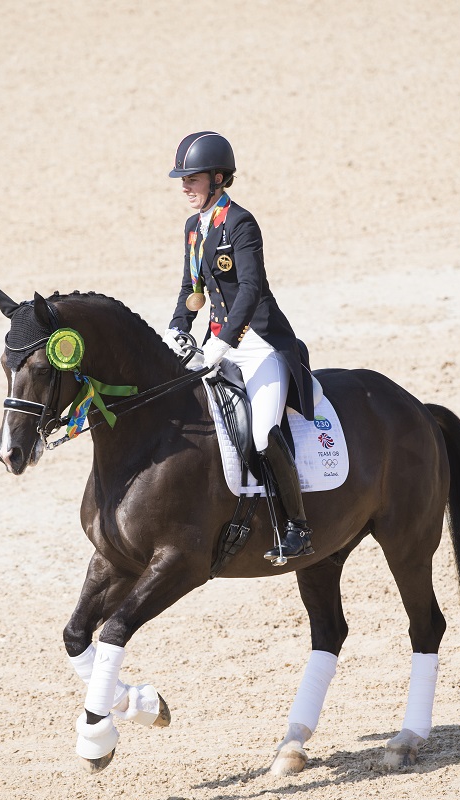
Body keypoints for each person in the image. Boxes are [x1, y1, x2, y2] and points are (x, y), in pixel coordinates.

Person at [163, 131, 314, 562]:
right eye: (183, 179)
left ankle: (297, 527)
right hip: (217, 341)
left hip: (260, 344)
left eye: (191, 178)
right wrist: (178, 325)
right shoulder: (194, 228)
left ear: (218, 178)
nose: (184, 186)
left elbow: (250, 290)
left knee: (264, 433)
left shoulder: (241, 223)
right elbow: (191, 288)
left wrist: (223, 342)